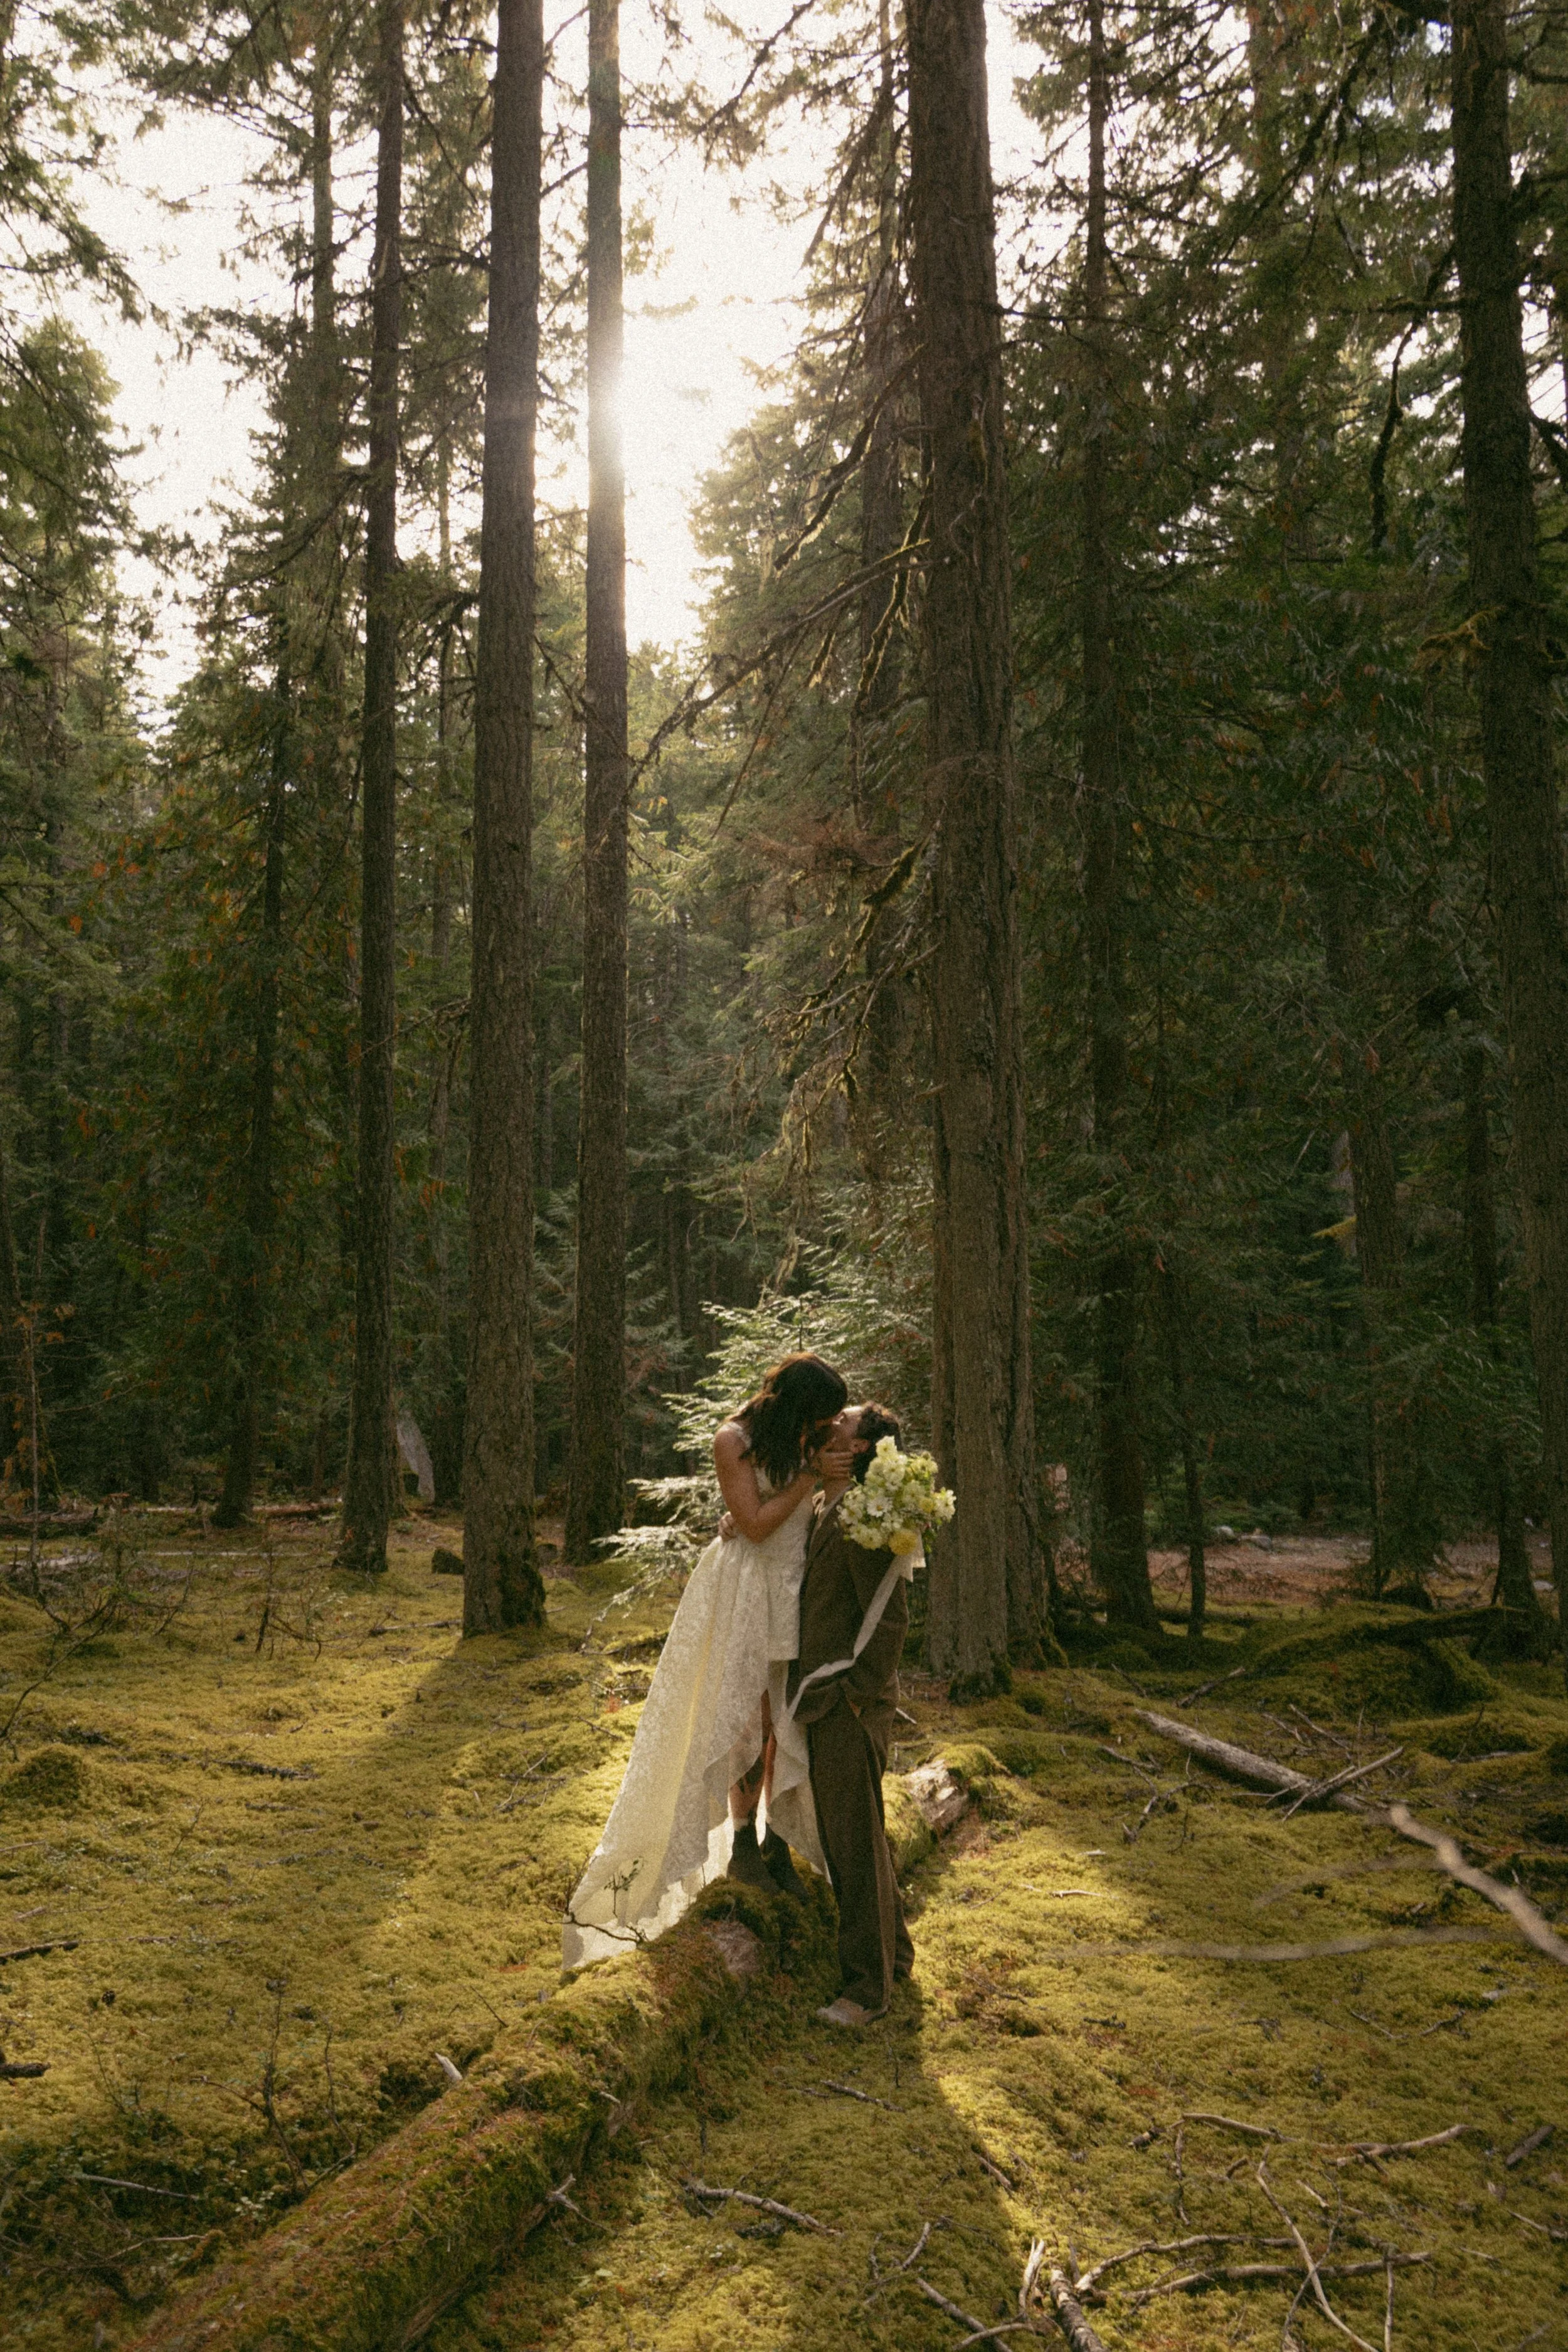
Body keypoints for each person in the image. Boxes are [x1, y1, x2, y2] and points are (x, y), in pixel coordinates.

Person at [563, 1352, 851, 1969]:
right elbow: (751, 1526)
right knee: (747, 1718)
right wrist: (805, 1478)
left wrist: (828, 1479)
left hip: (802, 1585)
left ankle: (777, 1843)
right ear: (794, 1405)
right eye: (816, 1419)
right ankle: (742, 1842)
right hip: (748, 1589)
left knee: (789, 1719)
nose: (822, 1430)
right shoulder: (734, 1440)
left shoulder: (814, 1435)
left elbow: (824, 1506)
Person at [786, 1402, 915, 2027]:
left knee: (851, 1841)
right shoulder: (826, 1506)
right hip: (823, 1696)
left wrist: (857, 1694)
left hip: (847, 1703)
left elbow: (889, 1614)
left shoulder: (867, 1516)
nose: (831, 1420)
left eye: (845, 1419)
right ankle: (897, 1958)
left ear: (860, 1448)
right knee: (859, 1832)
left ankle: (865, 1991)